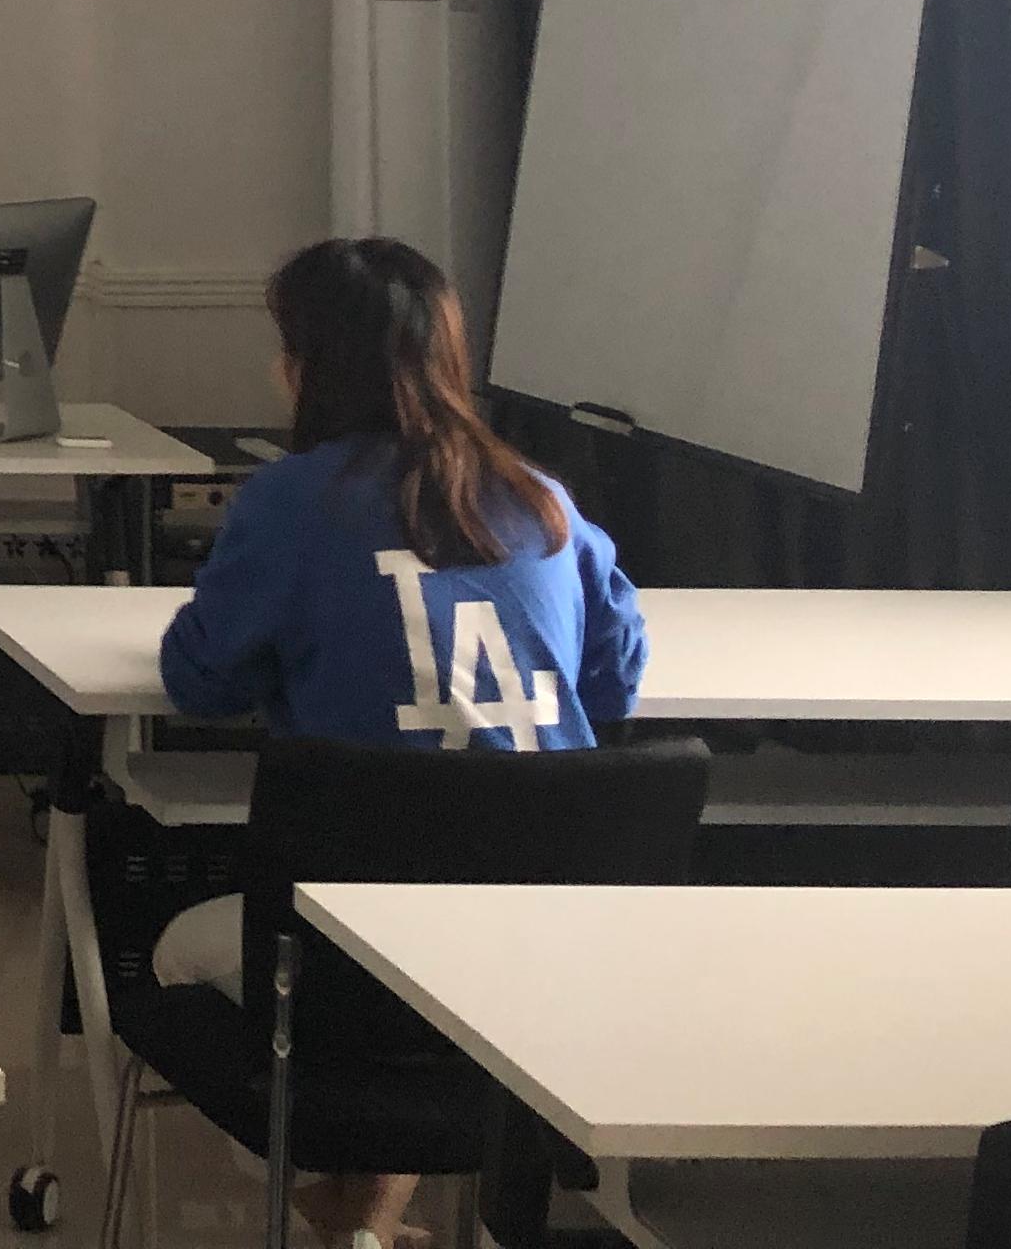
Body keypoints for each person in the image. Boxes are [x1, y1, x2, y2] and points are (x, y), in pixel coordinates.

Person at [155, 234, 648, 1249]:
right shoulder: (544, 501)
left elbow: (200, 682)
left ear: (307, 366)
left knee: (182, 956)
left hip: (350, 969)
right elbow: (615, 684)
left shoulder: (289, 502)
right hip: (541, 966)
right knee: (427, 940)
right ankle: (366, 1225)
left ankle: (344, 1220)